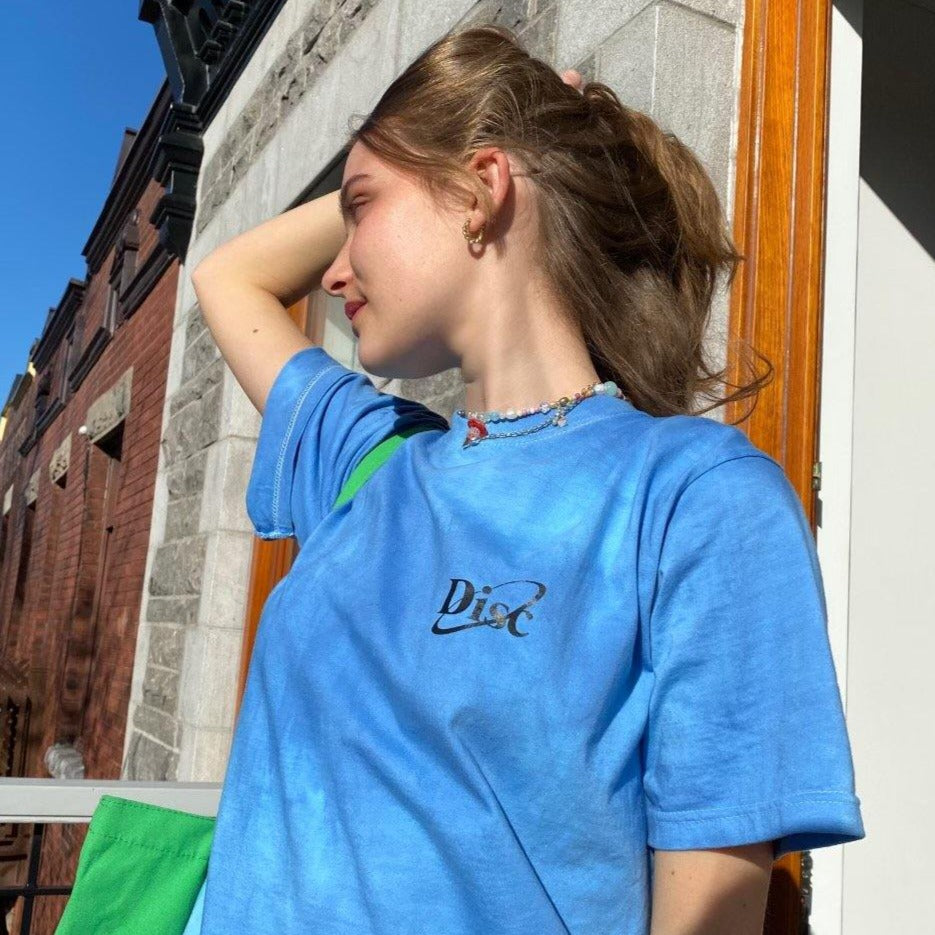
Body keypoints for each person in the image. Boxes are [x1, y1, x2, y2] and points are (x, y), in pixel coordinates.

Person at [187, 24, 864, 935]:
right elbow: (226, 278)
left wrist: (509, 145)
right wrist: (522, 129)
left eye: (360, 207)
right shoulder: (369, 463)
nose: (335, 269)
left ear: (480, 190)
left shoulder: (694, 498)